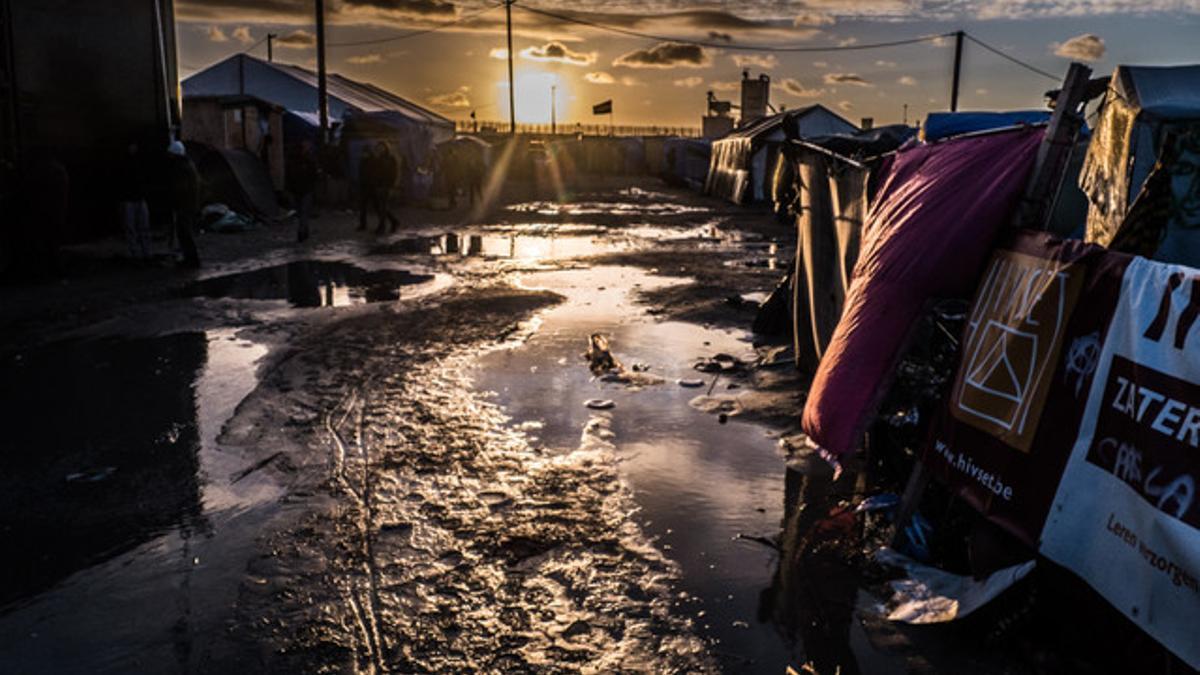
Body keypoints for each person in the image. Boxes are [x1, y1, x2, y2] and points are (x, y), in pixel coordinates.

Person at [164, 140, 201, 268]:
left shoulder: (181, 168)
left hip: (184, 206)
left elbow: (180, 189)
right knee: (185, 233)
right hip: (189, 205)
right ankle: (190, 258)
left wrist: (175, 203)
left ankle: (191, 259)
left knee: (185, 233)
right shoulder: (188, 165)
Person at [118, 142, 151, 261]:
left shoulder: (136, 162)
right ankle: (139, 253)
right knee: (135, 228)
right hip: (132, 198)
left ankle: (140, 252)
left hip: (135, 198)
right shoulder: (132, 163)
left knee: (137, 227)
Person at [288, 139, 319, 242]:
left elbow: (290, 176)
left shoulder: (294, 161)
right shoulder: (307, 161)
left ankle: (303, 231)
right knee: (303, 212)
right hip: (304, 189)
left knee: (301, 212)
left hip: (299, 190)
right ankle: (303, 231)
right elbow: (314, 175)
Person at [372, 141, 401, 234]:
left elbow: (394, 172)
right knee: (379, 207)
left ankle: (382, 226)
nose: (380, 149)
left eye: (382, 147)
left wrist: (392, 185)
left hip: (386, 185)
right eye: (379, 147)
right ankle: (394, 221)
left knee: (383, 206)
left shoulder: (391, 158)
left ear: (386, 148)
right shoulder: (377, 158)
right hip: (378, 185)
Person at [357, 144, 379, 232]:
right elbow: (361, 174)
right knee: (363, 207)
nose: (363, 154)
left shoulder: (372, 161)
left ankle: (388, 221)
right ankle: (363, 224)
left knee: (377, 206)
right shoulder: (363, 161)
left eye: (365, 152)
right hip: (364, 187)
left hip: (372, 187)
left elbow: (373, 174)